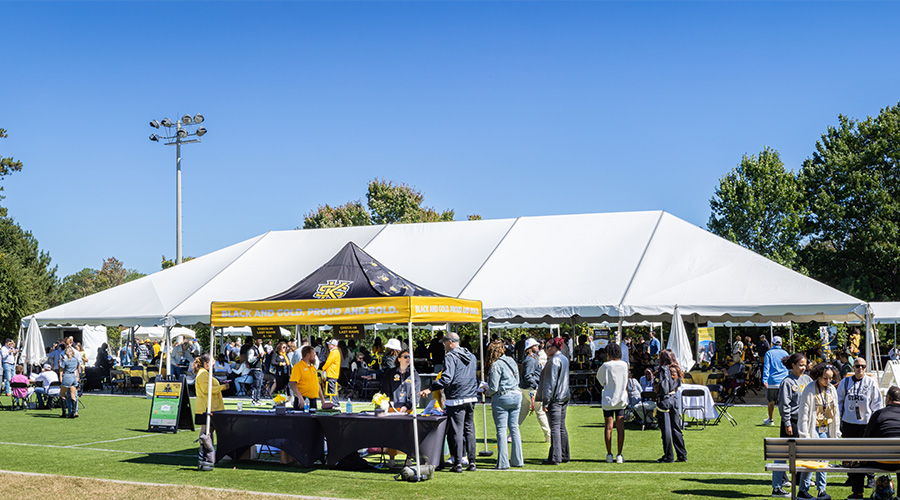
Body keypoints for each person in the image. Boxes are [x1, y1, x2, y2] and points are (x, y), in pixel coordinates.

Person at [418, 331, 478, 472]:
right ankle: (472, 462)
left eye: (444, 343)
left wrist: (430, 389)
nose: (444, 346)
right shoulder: (472, 356)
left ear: (450, 342)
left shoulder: (451, 356)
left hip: (456, 398)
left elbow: (446, 378)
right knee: (469, 430)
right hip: (471, 397)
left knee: (457, 431)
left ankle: (457, 463)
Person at [838, 356, 882, 498]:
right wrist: (839, 420)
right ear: (853, 368)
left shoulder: (871, 383)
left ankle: (870, 476)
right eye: (857, 366)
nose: (860, 368)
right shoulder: (845, 383)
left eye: (863, 366)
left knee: (866, 453)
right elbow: (839, 402)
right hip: (849, 423)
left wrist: (874, 424)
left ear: (866, 368)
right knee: (850, 452)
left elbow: (877, 405)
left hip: (866, 424)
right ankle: (851, 476)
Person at [797, 362, 840, 500]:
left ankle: (821, 490)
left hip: (826, 427)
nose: (828, 381)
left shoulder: (832, 389)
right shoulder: (809, 389)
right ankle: (803, 490)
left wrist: (836, 432)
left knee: (824, 461)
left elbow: (836, 412)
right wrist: (804, 435)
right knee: (812, 460)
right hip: (812, 428)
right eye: (825, 378)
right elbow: (803, 414)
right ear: (818, 376)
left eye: (830, 378)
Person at [771, 353, 811, 497]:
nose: (803, 368)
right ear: (793, 365)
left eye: (805, 365)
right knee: (783, 455)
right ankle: (776, 487)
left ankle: (802, 484)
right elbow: (784, 405)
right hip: (792, 422)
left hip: (805, 422)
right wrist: (787, 423)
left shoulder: (807, 379)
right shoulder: (787, 382)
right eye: (800, 365)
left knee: (803, 453)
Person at [848, 386, 900, 497]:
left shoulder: (879, 414)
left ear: (887, 399)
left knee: (860, 458)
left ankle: (857, 493)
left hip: (880, 460)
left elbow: (866, 439)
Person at [484, 340, 523, 470]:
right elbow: (517, 379)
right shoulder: (511, 361)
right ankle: (518, 460)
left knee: (501, 430)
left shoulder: (496, 365)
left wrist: (486, 391)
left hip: (502, 397)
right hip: (516, 395)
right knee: (514, 428)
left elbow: (494, 387)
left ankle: (503, 462)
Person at [380, 349, 421, 468]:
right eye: (406, 356)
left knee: (409, 434)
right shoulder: (390, 373)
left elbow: (416, 392)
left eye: (410, 357)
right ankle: (391, 458)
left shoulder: (414, 374)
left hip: (408, 410)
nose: (408, 359)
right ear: (399, 359)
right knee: (392, 434)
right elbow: (385, 390)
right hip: (393, 409)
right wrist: (387, 403)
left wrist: (407, 406)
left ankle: (408, 458)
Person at [537, 337, 570, 465]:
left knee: (555, 427)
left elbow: (550, 383)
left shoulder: (554, 361)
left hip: (555, 398)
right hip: (564, 396)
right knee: (561, 426)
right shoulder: (564, 359)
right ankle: (564, 455)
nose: (546, 349)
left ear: (554, 347)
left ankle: (555, 457)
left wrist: (546, 402)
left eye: (548, 347)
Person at [597, 342, 629, 463]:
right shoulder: (624, 365)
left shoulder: (606, 365)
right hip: (621, 398)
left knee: (608, 428)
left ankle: (609, 454)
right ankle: (619, 455)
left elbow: (600, 380)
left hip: (609, 399)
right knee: (620, 428)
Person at [654, 349, 686, 463]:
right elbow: (677, 386)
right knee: (676, 428)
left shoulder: (661, 370)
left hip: (664, 400)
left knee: (666, 430)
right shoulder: (676, 370)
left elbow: (658, 388)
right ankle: (682, 455)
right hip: (674, 399)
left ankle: (668, 456)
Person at [518, 338, 551, 442]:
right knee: (540, 412)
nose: (538, 347)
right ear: (530, 348)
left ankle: (511, 434)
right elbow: (528, 376)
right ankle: (548, 435)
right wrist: (536, 385)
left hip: (527, 389)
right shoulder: (531, 359)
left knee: (522, 413)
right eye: (535, 346)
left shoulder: (531, 358)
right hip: (531, 389)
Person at [194, 353, 228, 436]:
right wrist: (223, 387)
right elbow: (206, 389)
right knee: (206, 430)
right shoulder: (203, 374)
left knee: (209, 430)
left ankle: (209, 448)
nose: (214, 362)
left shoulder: (206, 373)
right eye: (213, 361)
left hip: (209, 406)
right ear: (206, 363)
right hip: (205, 407)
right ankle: (204, 449)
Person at [762, 336, 790, 426]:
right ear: (781, 343)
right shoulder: (785, 353)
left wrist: (764, 379)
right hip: (784, 380)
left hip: (772, 381)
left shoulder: (769, 353)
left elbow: (766, 367)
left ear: (772, 343)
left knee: (771, 401)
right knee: (784, 402)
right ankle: (785, 421)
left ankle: (771, 420)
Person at [290, 346, 322, 411]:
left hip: (313, 400)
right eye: (313, 354)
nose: (315, 356)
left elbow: (317, 384)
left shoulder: (313, 368)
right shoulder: (298, 367)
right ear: (308, 355)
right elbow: (292, 383)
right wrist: (300, 397)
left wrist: (323, 400)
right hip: (302, 400)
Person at [240, 339, 264, 406]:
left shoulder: (258, 348)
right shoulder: (252, 349)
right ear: (255, 341)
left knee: (259, 385)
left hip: (260, 368)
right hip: (255, 369)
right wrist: (257, 356)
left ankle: (258, 400)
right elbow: (250, 360)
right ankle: (254, 401)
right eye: (259, 341)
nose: (261, 342)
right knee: (256, 385)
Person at [59, 346, 80, 418]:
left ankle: (64, 412)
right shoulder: (75, 360)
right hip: (73, 377)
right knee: (73, 396)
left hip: (67, 376)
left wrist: (60, 378)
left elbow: (61, 370)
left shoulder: (65, 360)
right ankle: (73, 413)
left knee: (62, 395)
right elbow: (78, 367)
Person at [322, 339, 341, 405]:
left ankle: (335, 403)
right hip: (333, 373)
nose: (328, 345)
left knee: (332, 389)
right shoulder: (335, 352)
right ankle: (336, 402)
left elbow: (328, 362)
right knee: (334, 388)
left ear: (334, 345)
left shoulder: (334, 352)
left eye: (330, 344)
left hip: (332, 373)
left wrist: (323, 368)